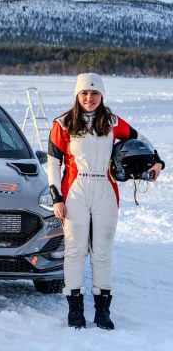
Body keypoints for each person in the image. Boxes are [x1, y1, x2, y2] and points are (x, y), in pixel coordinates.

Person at [47, 73, 164, 330]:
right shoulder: (63, 123)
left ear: (101, 96)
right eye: (84, 93)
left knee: (102, 253)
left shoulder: (112, 121)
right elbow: (53, 164)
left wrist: (157, 162)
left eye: (95, 93)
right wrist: (57, 198)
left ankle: (103, 311)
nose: (89, 98)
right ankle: (75, 310)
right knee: (75, 251)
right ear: (77, 95)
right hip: (75, 192)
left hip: (106, 191)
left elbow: (143, 141)